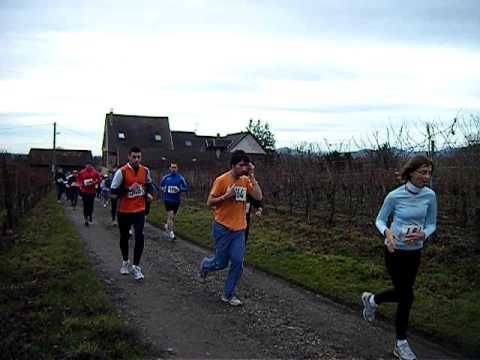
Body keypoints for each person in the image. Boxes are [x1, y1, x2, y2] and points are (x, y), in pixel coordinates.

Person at [361, 155, 437, 360]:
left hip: (415, 252)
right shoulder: (395, 196)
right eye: (423, 172)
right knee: (407, 296)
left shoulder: (430, 196)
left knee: (403, 293)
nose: (426, 176)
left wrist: (424, 234)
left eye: (429, 173)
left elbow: (432, 224)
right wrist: (387, 233)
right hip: (394, 251)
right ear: (411, 172)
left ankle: (372, 299)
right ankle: (401, 343)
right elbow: (380, 219)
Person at [199, 150, 262, 306]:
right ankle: (205, 265)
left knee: (237, 262)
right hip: (223, 227)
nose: (244, 169)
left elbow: (258, 197)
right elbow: (209, 202)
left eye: (246, 166)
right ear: (233, 165)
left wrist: (252, 176)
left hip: (239, 229)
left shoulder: (246, 180)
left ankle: (228, 294)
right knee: (221, 263)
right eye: (241, 166)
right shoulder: (222, 180)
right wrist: (226, 196)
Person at [111, 146, 154, 281]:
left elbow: (149, 185)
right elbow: (113, 190)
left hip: (139, 210)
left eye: (138, 157)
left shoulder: (145, 171)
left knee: (139, 237)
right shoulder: (121, 172)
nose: (136, 159)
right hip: (124, 210)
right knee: (124, 237)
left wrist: (149, 194)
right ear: (129, 157)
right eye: (134, 157)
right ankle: (125, 261)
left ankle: (136, 266)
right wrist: (128, 188)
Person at [159, 162, 188, 240]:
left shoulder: (180, 178)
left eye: (175, 167)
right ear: (170, 168)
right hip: (168, 200)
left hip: (176, 201)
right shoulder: (166, 178)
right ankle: (171, 233)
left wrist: (179, 189)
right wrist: (163, 189)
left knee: (172, 217)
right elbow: (160, 186)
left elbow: (186, 188)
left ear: (177, 168)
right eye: (172, 167)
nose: (173, 169)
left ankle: (167, 225)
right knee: (170, 215)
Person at [77, 161, 101, 227]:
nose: (88, 166)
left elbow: (99, 179)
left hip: (92, 192)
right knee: (85, 205)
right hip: (84, 191)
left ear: (91, 166)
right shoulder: (82, 172)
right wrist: (80, 185)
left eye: (90, 165)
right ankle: (86, 220)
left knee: (91, 205)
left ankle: (90, 215)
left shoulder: (95, 172)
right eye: (87, 165)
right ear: (85, 165)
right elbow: (78, 180)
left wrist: (94, 182)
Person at [244, 162, 263, 247]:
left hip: (244, 223)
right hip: (231, 222)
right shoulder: (237, 182)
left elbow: (258, 199)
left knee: (239, 252)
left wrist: (259, 209)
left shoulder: (251, 184)